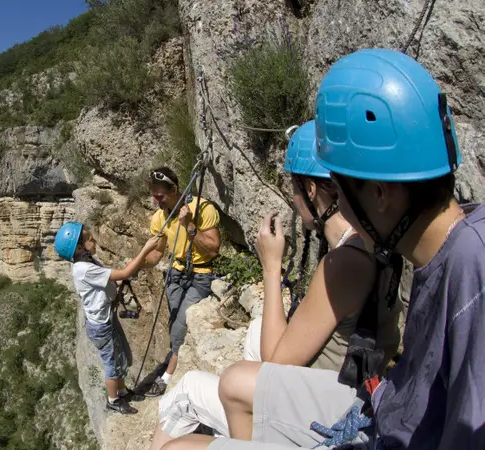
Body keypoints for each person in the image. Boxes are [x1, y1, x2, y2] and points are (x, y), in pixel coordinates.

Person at [163, 48, 485, 450]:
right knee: (233, 383)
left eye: (343, 190)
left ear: (381, 193)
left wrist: (271, 265)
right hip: (382, 414)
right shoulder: (440, 258)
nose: (344, 210)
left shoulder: (473, 272)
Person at [149, 120, 402, 449]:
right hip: (349, 384)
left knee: (186, 391)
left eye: (295, 189)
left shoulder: (345, 262)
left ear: (310, 191)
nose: (295, 201)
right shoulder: (373, 241)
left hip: (330, 410)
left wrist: (271, 266)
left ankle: (248, 435)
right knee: (256, 331)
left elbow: (277, 362)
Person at [55, 221, 160, 414]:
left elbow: (113, 278)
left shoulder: (88, 262)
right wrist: (145, 249)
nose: (94, 241)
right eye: (90, 239)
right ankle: (113, 400)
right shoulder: (85, 269)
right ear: (79, 247)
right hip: (101, 326)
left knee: (118, 357)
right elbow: (124, 273)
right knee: (112, 362)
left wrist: (123, 278)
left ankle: (121, 391)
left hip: (105, 320)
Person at [141, 167, 222, 397]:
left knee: (179, 325)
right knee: (175, 320)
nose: (155, 200)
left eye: (160, 195)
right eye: (153, 195)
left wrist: (189, 226)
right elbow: (157, 254)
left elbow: (214, 249)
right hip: (176, 275)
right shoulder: (160, 217)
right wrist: (135, 267)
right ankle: (178, 356)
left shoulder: (202, 209)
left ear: (175, 189)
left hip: (200, 274)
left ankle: (167, 376)